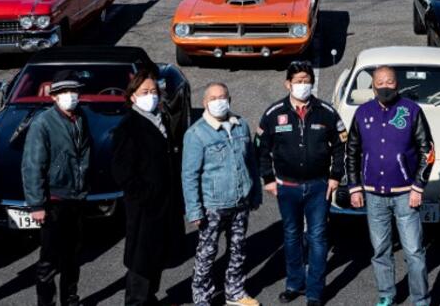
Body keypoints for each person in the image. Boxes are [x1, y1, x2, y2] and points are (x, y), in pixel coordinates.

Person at [257, 60, 346, 306]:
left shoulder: (326, 112)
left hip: (319, 186)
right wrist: (268, 179)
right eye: (298, 81)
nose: (303, 85)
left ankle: (315, 291)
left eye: (307, 81)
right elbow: (261, 148)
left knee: (318, 237)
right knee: (292, 235)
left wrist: (335, 176)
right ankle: (294, 284)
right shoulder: (273, 113)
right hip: (286, 186)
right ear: (288, 84)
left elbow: (340, 146)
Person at [345, 65, 435, 306]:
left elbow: (428, 150)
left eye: (390, 82)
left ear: (397, 84)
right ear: (373, 85)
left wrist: (418, 186)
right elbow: (352, 151)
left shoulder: (411, 110)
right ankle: (386, 295)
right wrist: (354, 186)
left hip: (406, 194)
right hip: (374, 195)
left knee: (414, 252)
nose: (385, 86)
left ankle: (420, 299)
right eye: (380, 82)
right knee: (380, 251)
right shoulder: (363, 113)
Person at [182, 83, 262, 306]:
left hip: (240, 201)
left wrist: (255, 192)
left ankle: (235, 293)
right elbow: (189, 175)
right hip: (213, 205)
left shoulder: (241, 126)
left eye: (223, 97)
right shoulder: (196, 134)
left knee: (238, 250)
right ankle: (202, 298)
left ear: (230, 99)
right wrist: (194, 210)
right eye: (214, 98)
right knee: (207, 254)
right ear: (205, 102)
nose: (219, 101)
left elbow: (251, 163)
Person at [112, 66, 184, 306]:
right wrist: (144, 195)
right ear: (133, 96)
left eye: (154, 90)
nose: (151, 95)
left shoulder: (160, 119)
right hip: (145, 207)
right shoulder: (128, 127)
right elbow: (122, 171)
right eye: (145, 91)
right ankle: (136, 301)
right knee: (141, 260)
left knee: (157, 256)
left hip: (165, 204)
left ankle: (150, 297)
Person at [22, 77, 92, 306]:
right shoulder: (43, 123)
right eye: (65, 92)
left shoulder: (80, 118)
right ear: (53, 97)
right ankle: (46, 303)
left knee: (73, 256)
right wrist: (37, 204)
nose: (71, 95)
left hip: (76, 197)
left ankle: (70, 299)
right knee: (49, 260)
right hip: (54, 200)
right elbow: (33, 165)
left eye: (74, 91)